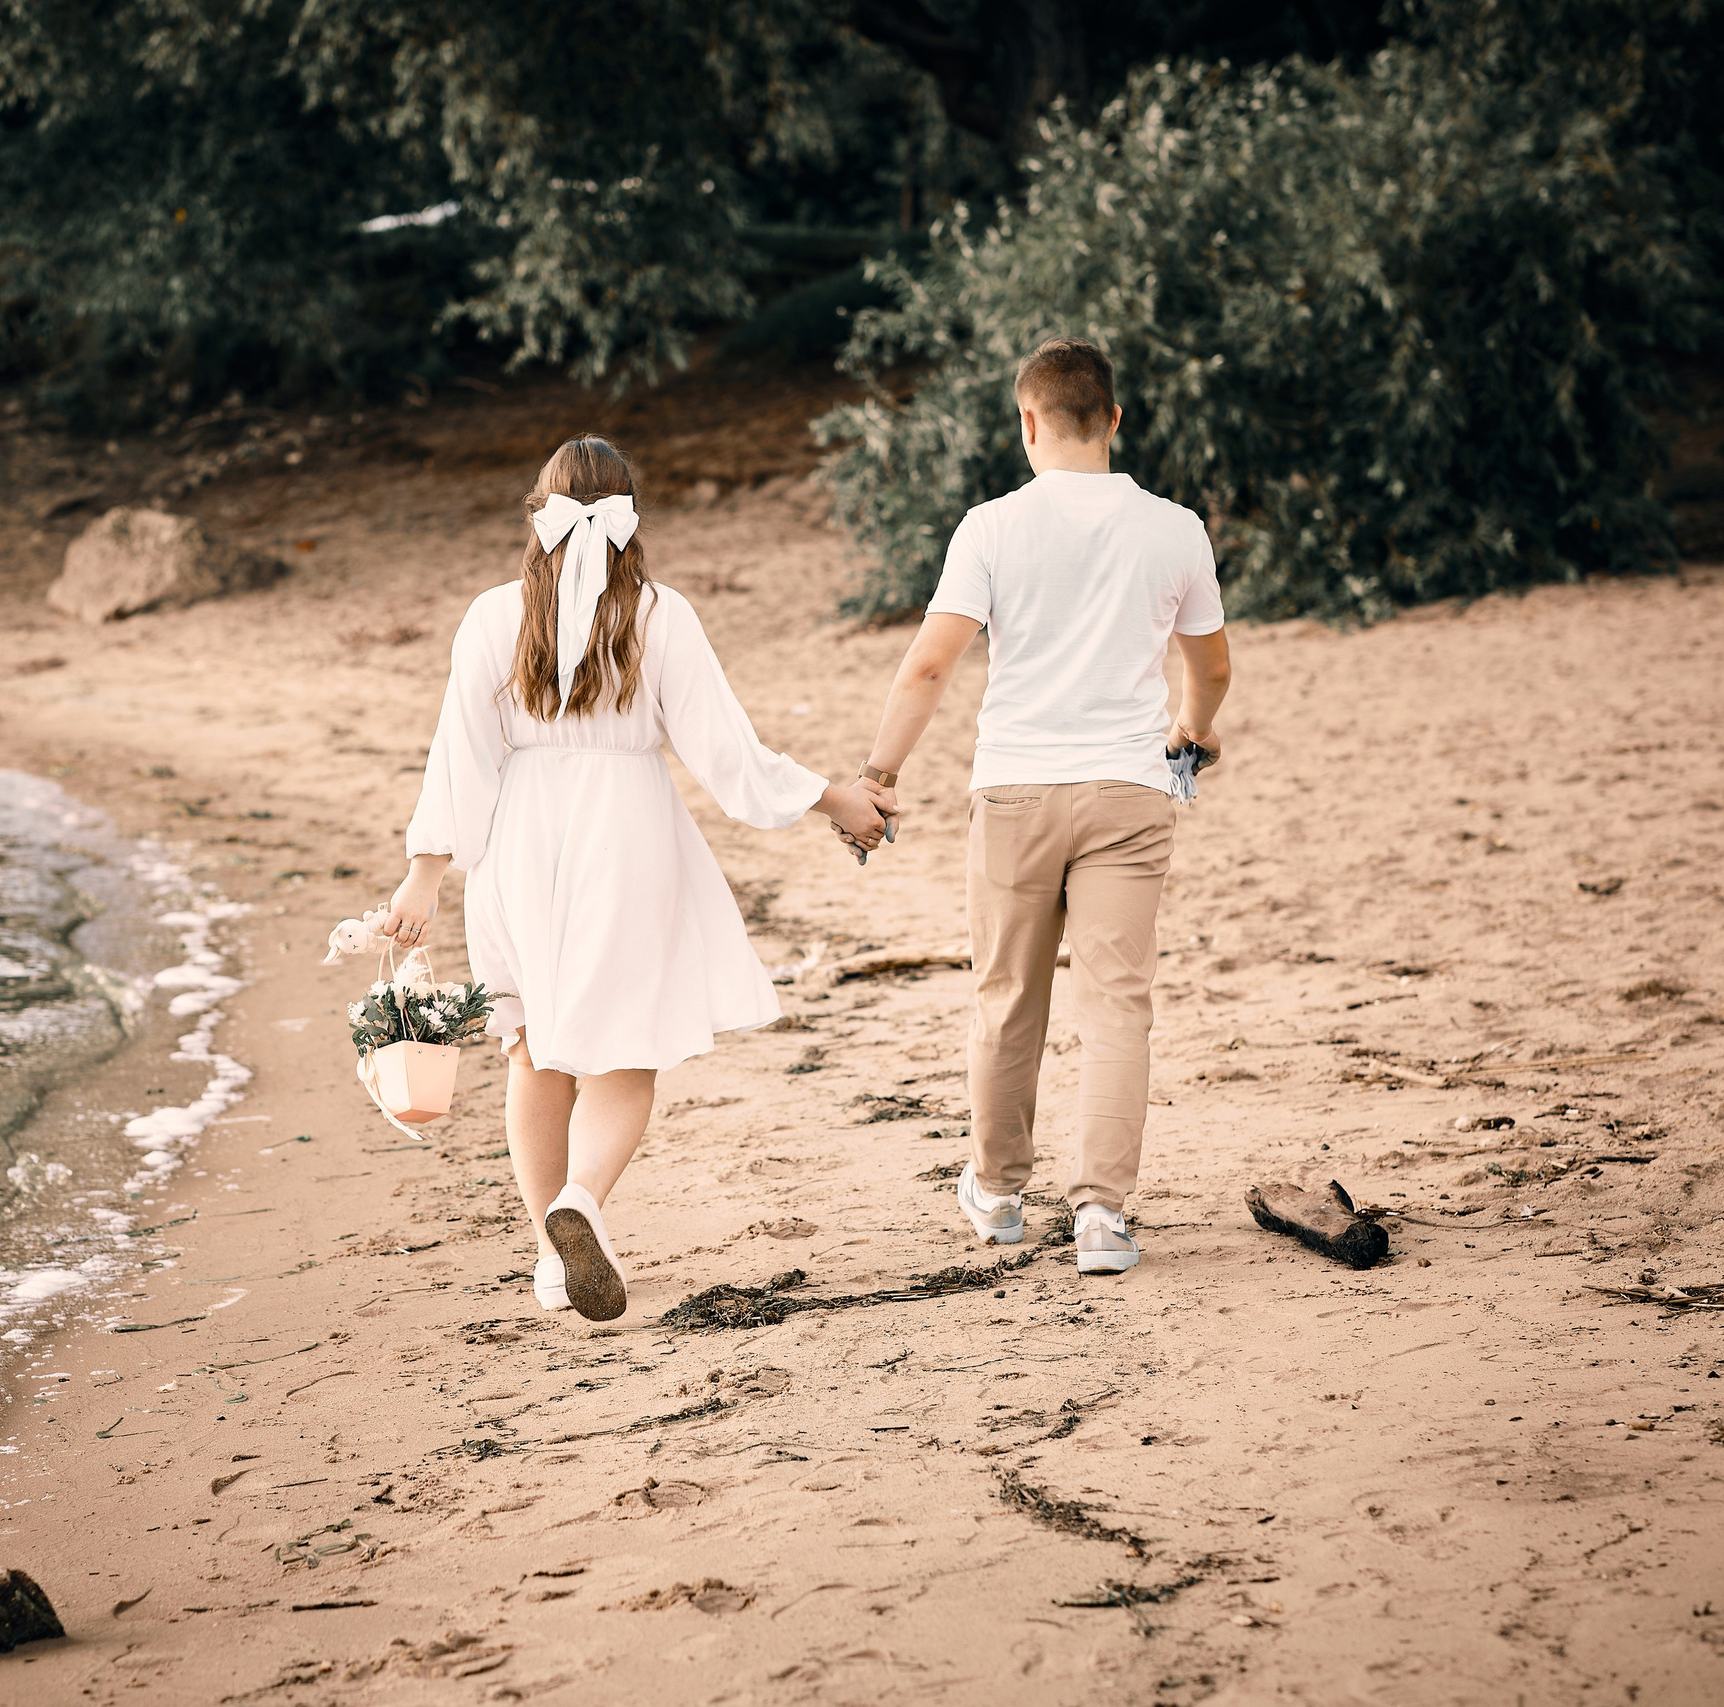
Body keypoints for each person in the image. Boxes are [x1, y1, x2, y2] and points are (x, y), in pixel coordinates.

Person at [379, 436, 888, 1321]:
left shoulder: (493, 617)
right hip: (627, 839)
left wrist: (422, 880)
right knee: (624, 1053)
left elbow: (456, 761)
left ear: (538, 513)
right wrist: (833, 798)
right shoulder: (659, 615)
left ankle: (548, 1255)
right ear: (629, 518)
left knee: (532, 1051)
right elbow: (728, 758)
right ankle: (582, 1198)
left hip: (516, 847)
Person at [849, 336, 1233, 1276]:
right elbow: (1212, 664)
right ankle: (1102, 1215)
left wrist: (881, 772)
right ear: (1114, 418)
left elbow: (932, 662)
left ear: (1027, 423)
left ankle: (999, 1192)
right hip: (1129, 790)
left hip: (1014, 790)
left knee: (1008, 995)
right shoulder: (1175, 526)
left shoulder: (990, 527)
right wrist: (1193, 726)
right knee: (1116, 1006)